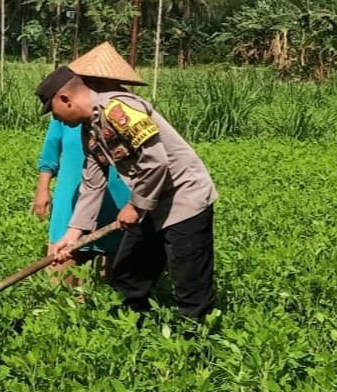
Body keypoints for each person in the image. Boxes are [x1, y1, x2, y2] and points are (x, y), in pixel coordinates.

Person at [34, 42, 218, 321]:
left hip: (183, 199)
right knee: (128, 274)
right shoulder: (90, 129)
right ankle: (134, 328)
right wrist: (73, 234)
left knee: (189, 280)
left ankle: (196, 344)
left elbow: (156, 161)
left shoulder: (119, 109)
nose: (56, 119)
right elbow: (92, 183)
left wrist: (135, 206)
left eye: (53, 111)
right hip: (149, 202)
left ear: (65, 100)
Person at [33, 118, 130, 283]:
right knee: (59, 280)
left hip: (116, 202)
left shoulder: (122, 114)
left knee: (105, 287)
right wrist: (42, 190)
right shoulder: (65, 115)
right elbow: (49, 154)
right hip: (70, 200)